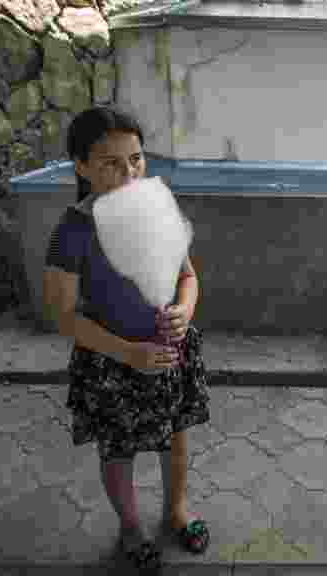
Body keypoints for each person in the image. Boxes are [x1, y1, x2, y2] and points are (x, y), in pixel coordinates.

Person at [43, 106, 211, 570]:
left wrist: (184, 311)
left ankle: (176, 511)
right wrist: (127, 352)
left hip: (169, 354)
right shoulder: (72, 232)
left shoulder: (158, 209)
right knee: (119, 450)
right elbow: (62, 315)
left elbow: (188, 278)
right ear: (81, 166)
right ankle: (131, 529)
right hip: (111, 362)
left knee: (175, 438)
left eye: (136, 159)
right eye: (111, 163)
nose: (130, 172)